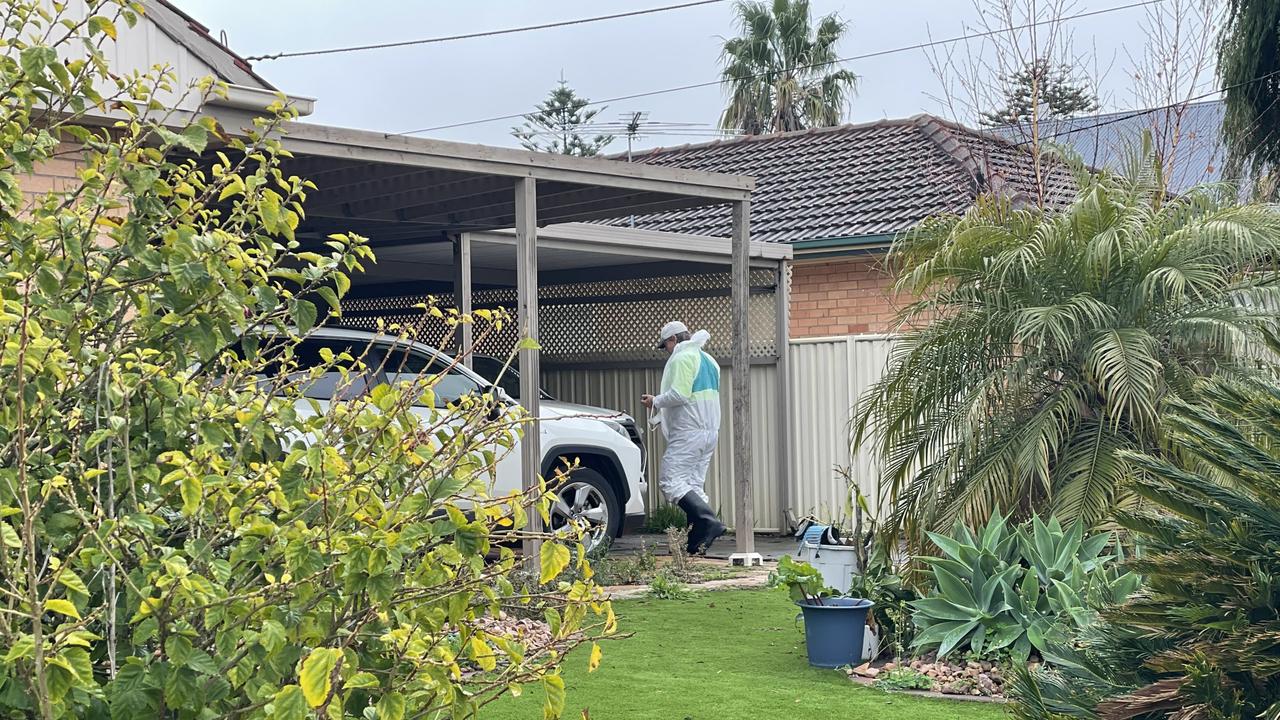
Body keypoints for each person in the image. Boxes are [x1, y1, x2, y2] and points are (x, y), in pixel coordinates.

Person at [641, 320, 726, 555]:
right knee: (693, 484)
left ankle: (710, 523)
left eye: (665, 345)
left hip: (689, 431)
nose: (666, 350)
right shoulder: (709, 360)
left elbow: (679, 394)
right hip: (709, 431)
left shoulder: (681, 357)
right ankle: (697, 542)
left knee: (670, 481)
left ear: (672, 340)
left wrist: (655, 401)